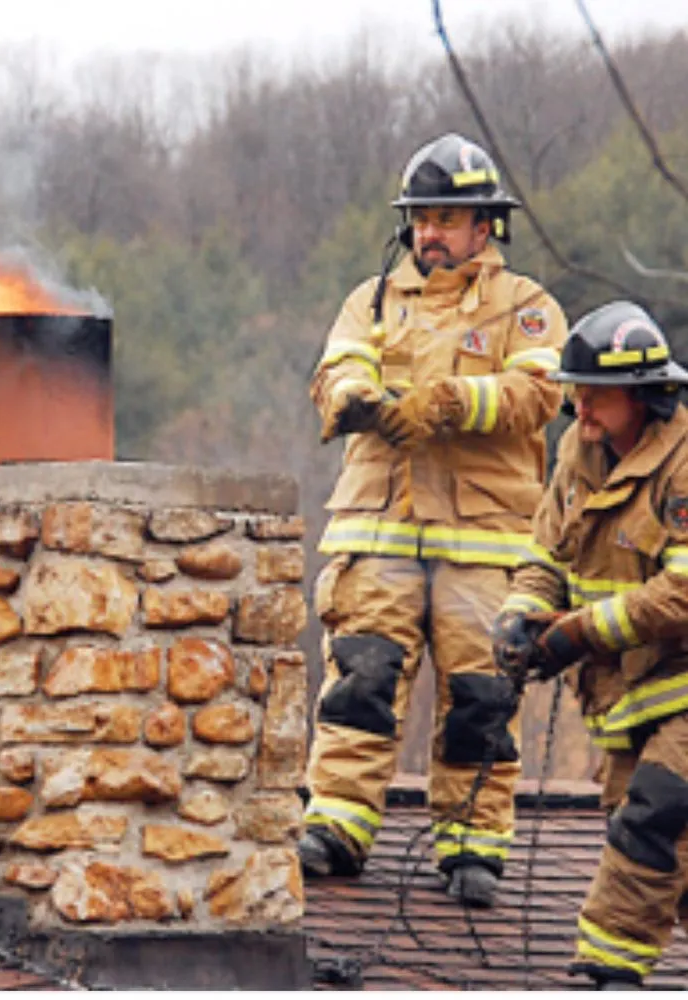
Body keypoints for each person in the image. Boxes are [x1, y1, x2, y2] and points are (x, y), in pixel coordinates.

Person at [299, 131, 569, 909]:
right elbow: (337, 366)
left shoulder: (527, 308)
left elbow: (538, 395)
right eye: (420, 218)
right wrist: (356, 400)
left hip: (484, 545)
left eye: (446, 219)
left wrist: (451, 403)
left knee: (482, 700)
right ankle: (337, 828)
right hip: (376, 532)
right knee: (362, 683)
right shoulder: (373, 298)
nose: (429, 234)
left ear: (487, 227)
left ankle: (471, 849)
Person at [493, 301, 688, 990]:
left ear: (644, 395)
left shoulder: (684, 467)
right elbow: (544, 556)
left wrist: (576, 633)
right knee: (660, 856)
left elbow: (681, 594)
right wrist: (523, 616)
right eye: (574, 392)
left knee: (654, 813)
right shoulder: (578, 455)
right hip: (626, 700)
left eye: (594, 394)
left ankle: (606, 973)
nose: (579, 409)